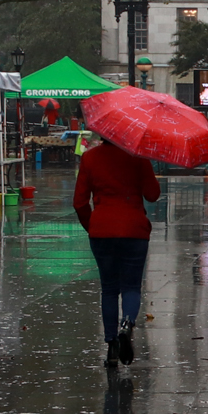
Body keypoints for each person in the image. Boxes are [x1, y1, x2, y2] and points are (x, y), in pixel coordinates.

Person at [74, 135, 159, 368]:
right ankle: (127, 324)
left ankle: (112, 345)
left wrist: (92, 226)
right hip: (134, 230)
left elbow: (79, 202)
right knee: (131, 287)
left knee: (109, 289)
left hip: (102, 231)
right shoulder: (138, 157)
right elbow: (153, 194)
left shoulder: (90, 158)